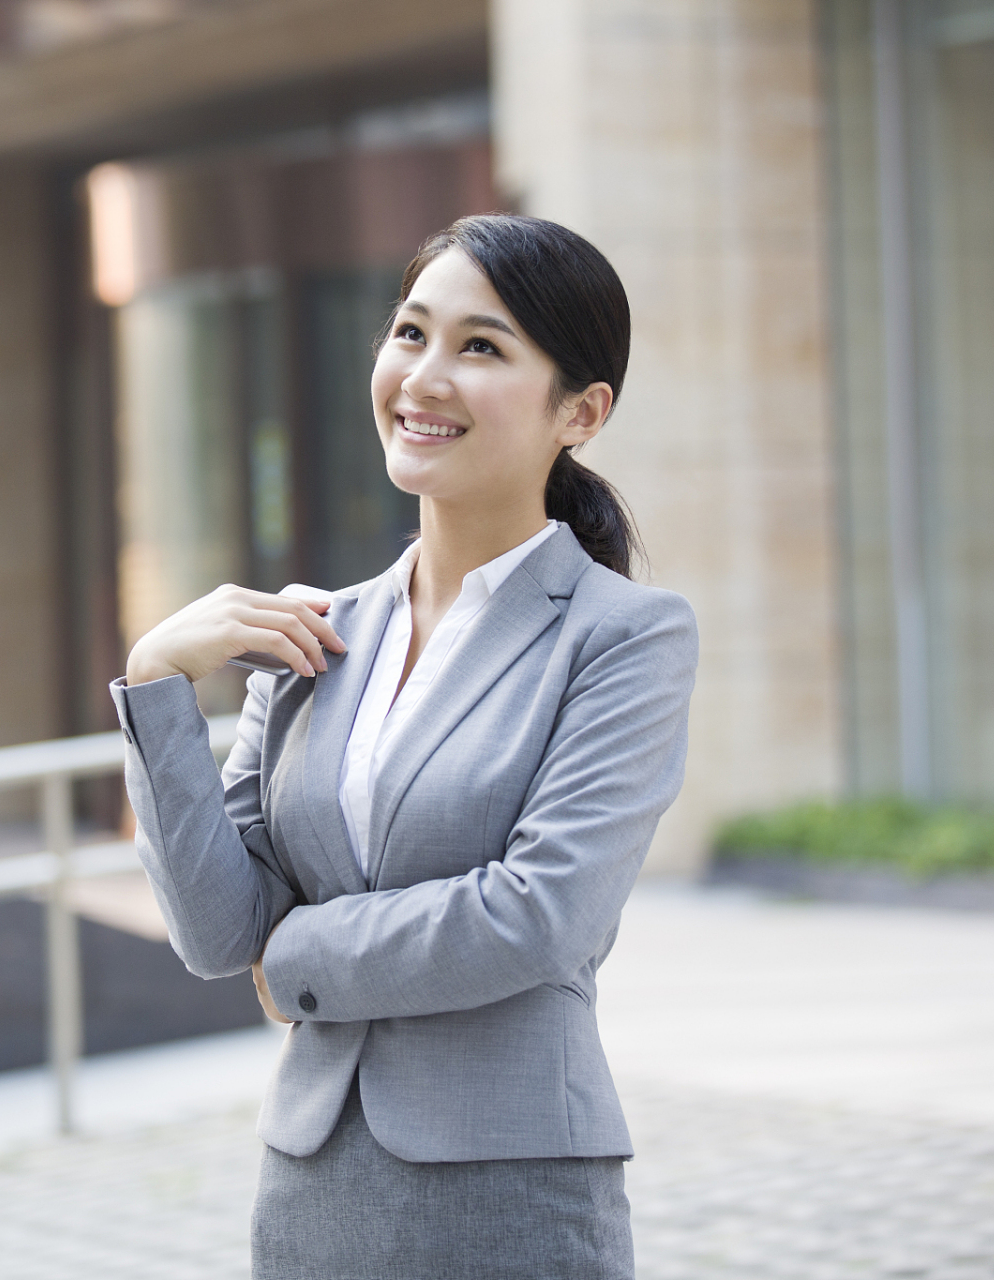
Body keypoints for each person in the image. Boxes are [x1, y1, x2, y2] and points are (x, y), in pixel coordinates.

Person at [111, 213, 698, 1279]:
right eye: (410, 333)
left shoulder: (623, 637)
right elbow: (214, 928)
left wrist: (291, 961)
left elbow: (538, 913)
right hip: (312, 1188)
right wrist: (156, 682)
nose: (425, 376)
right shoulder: (317, 631)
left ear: (583, 409)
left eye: (482, 346)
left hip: (509, 1193)